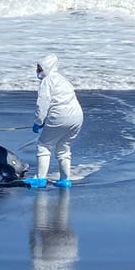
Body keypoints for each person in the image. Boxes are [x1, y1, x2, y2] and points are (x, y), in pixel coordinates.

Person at [25, 54, 82, 189]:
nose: (38, 71)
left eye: (40, 68)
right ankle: (65, 180)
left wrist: (39, 122)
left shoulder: (47, 81)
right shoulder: (64, 80)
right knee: (64, 148)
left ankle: (40, 179)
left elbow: (43, 103)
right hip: (77, 117)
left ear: (47, 67)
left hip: (60, 116)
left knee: (44, 145)